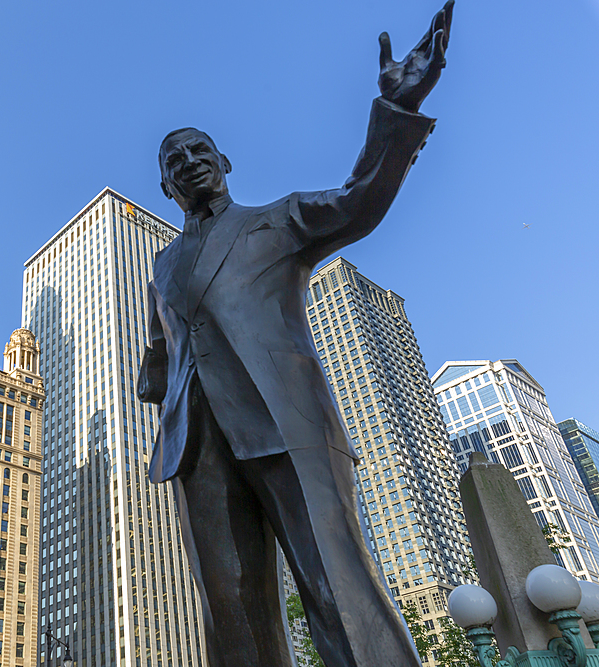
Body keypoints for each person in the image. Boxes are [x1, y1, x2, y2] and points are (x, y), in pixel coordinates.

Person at [137, 3, 454, 666]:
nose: (190, 161)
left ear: (223, 161)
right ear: (165, 185)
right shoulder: (163, 264)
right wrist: (159, 380)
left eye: (201, 150)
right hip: (199, 446)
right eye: (176, 159)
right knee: (231, 610)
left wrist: (394, 110)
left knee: (335, 589)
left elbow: (359, 199)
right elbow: (162, 354)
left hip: (287, 422)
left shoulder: (278, 220)